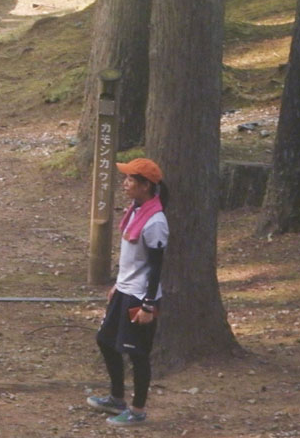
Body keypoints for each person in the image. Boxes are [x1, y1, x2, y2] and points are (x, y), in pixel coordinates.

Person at [86, 157, 169, 426]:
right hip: (124, 290)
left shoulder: (155, 222)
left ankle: (138, 410)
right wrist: (117, 284)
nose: (125, 183)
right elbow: (132, 258)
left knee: (137, 353)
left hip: (140, 296)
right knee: (105, 340)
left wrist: (148, 304)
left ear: (145, 185)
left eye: (131, 179)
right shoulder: (135, 210)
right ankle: (116, 398)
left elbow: (156, 267)